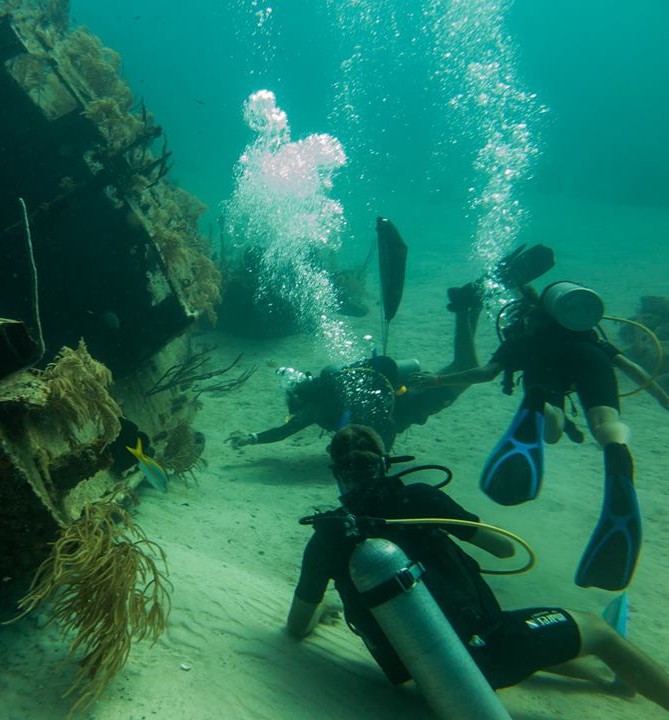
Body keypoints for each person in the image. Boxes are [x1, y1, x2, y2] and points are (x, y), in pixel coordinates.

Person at [286, 424, 669, 710]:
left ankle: (602, 677)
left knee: (520, 632)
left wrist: (322, 610)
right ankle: (616, 672)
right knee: (597, 629)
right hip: (487, 652)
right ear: (384, 463)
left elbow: (297, 626)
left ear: (336, 472)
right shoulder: (417, 499)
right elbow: (504, 550)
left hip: (420, 673)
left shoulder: (325, 538)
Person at [410, 282, 669, 590]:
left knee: (552, 429)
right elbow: (630, 367)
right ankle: (616, 448)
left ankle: (542, 407)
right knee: (606, 423)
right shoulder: (590, 335)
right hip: (592, 359)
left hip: (542, 364)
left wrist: (437, 380)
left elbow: (485, 373)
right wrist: (662, 397)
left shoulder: (523, 338)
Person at [226, 280, 484, 452]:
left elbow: (286, 430)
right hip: (408, 389)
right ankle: (473, 305)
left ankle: (465, 309)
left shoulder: (319, 409)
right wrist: (252, 438)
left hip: (413, 403)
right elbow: (286, 429)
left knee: (467, 367)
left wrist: (381, 458)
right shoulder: (333, 393)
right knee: (462, 366)